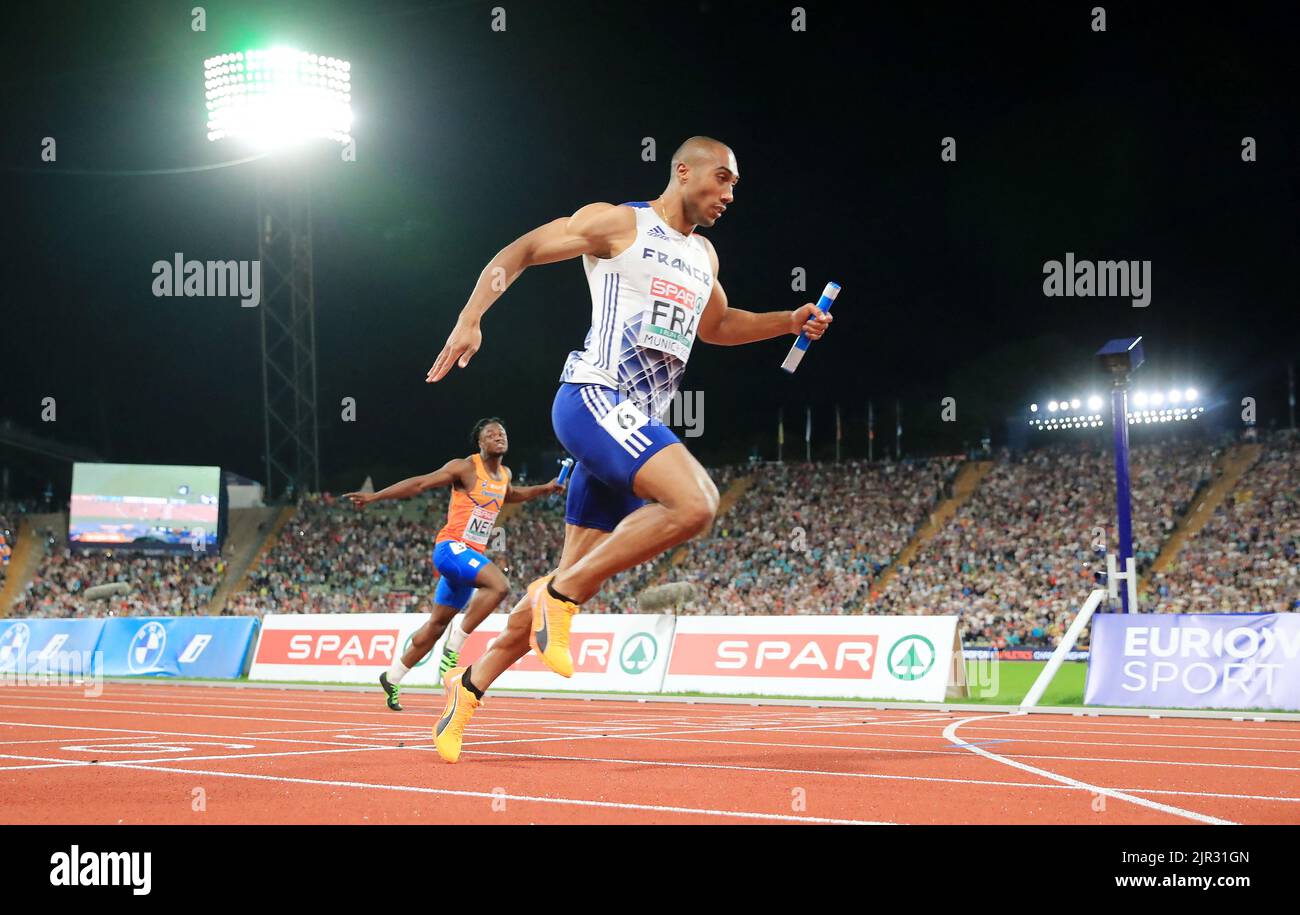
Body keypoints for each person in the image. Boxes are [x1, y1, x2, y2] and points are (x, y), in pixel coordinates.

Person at [424, 136, 833, 761]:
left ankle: (467, 688)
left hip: (629, 429)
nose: (729, 194)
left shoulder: (704, 257)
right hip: (592, 398)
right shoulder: (620, 224)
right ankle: (559, 600)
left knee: (567, 577)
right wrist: (470, 316)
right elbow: (526, 250)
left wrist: (787, 320)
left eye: (734, 186)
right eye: (720, 179)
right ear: (683, 170)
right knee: (695, 503)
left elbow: (716, 326)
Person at [343, 417, 563, 711]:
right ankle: (453, 650)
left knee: (435, 625)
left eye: (502, 432)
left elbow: (512, 495)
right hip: (450, 549)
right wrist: (376, 496)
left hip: (466, 562)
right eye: (491, 433)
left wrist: (546, 488)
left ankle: (392, 676)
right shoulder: (465, 467)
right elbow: (421, 483)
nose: (499, 436)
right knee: (499, 585)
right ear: (480, 442)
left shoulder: (505, 475)